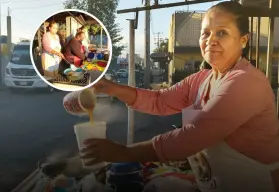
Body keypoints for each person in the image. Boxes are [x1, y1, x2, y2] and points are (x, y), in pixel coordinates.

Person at [78, 1, 279, 191]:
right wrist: (109, 87)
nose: (211, 40)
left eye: (222, 33)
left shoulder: (246, 82)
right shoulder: (202, 79)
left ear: (243, 39)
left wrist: (123, 153)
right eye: (206, 33)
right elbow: (159, 101)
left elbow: (194, 135)